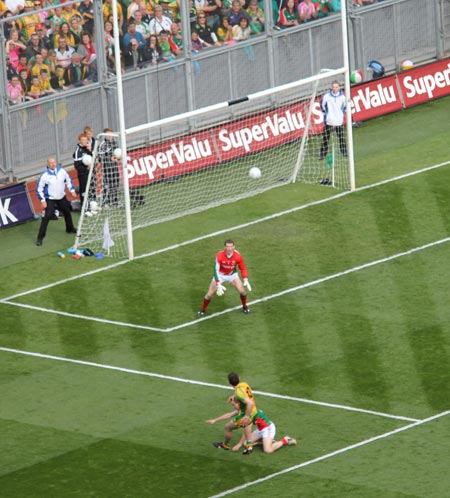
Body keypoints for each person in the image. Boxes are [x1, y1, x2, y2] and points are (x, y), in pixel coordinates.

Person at [206, 396, 297, 455]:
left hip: (268, 428)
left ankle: (286, 440)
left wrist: (239, 444)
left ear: (238, 404)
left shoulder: (247, 413)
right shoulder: (243, 408)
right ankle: (268, 441)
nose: (233, 406)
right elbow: (229, 414)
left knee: (267, 451)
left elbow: (247, 429)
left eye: (234, 405)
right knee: (247, 443)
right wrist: (215, 420)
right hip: (260, 430)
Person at [197, 239, 252, 316]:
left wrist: (245, 279)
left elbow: (242, 268)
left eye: (231, 246)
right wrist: (218, 283)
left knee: (242, 291)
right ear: (224, 247)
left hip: (232, 275)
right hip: (220, 275)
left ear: (234, 247)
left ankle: (245, 307)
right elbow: (215, 270)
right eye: (227, 247)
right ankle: (202, 310)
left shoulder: (238, 256)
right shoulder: (219, 255)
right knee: (209, 295)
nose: (229, 249)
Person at [207, 372, 258, 453]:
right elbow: (243, 394)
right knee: (247, 425)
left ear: (229, 383)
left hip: (247, 413)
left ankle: (225, 445)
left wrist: (246, 416)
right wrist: (233, 397)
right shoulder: (244, 384)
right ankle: (249, 446)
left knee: (228, 427)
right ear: (239, 378)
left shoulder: (238, 394)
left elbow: (249, 403)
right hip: (254, 411)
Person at [35, 157, 77, 246]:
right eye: (51, 163)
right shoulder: (44, 175)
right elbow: (39, 189)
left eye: (54, 162)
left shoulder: (62, 171)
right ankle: (40, 238)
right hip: (50, 199)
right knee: (47, 217)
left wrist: (72, 190)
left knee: (67, 211)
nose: (53, 164)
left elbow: (68, 180)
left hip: (61, 197)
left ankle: (70, 228)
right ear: (48, 164)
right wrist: (43, 200)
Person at [319, 80, 347, 165]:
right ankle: (323, 154)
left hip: (338, 121)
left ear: (339, 87)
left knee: (341, 137)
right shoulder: (327, 96)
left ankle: (344, 151)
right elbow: (322, 105)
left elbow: (345, 106)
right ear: (331, 87)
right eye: (334, 87)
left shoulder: (343, 97)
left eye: (336, 87)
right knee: (326, 138)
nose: (335, 88)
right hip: (329, 120)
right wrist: (326, 114)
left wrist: (340, 114)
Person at [98, 128, 120, 206]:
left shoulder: (114, 142)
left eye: (110, 134)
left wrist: (118, 158)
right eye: (107, 134)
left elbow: (118, 153)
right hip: (107, 168)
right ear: (104, 135)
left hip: (114, 167)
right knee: (107, 185)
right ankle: (105, 202)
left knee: (116, 184)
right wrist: (109, 158)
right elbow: (100, 158)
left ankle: (115, 201)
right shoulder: (102, 144)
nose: (109, 136)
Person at [73, 132, 93, 207]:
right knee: (84, 190)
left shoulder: (87, 149)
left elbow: (93, 158)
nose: (85, 142)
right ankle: (85, 208)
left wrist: (91, 151)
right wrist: (85, 167)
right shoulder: (78, 151)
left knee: (90, 189)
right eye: (83, 140)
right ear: (79, 141)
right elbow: (77, 166)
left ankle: (90, 207)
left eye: (86, 140)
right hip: (83, 174)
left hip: (89, 172)